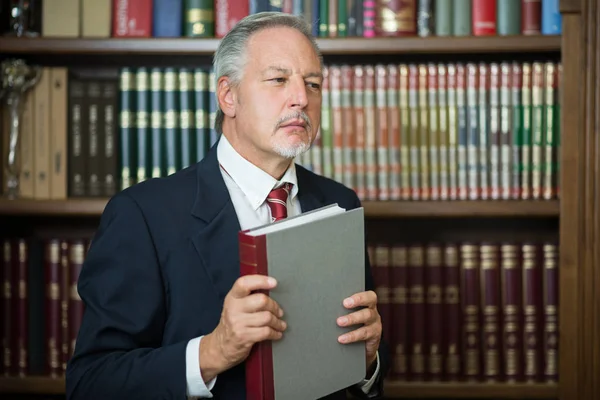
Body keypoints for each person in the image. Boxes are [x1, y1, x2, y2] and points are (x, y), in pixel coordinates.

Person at [66, 11, 389, 400]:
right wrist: (211, 352)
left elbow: (359, 379)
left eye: (313, 83)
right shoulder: (142, 215)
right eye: (278, 80)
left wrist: (368, 362)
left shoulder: (340, 202)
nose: (301, 98)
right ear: (228, 96)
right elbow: (90, 383)